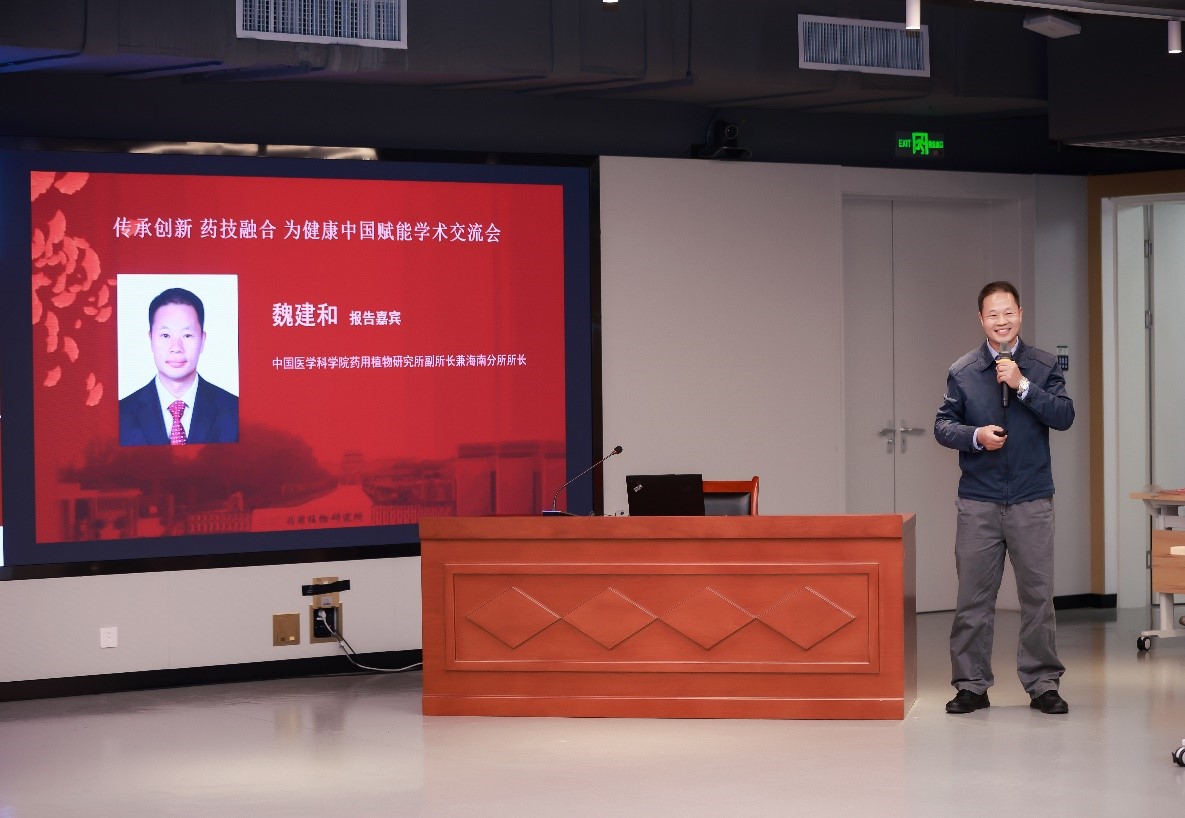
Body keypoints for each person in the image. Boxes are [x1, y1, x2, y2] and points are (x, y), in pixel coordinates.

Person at [933, 281, 1075, 716]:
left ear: (1020, 314)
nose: (1001, 321)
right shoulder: (963, 370)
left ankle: (1043, 684)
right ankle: (971, 685)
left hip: (1032, 498)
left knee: (1038, 597)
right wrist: (975, 436)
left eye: (1008, 312)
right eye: (993, 314)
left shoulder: (1043, 365)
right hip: (979, 500)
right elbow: (943, 426)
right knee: (973, 599)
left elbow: (1064, 415)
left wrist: (1023, 385)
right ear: (981, 319)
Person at [119, 287, 239, 446]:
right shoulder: (120, 415)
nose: (176, 347)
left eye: (187, 335)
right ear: (151, 339)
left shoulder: (235, 411)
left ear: (203, 340)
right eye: (165, 335)